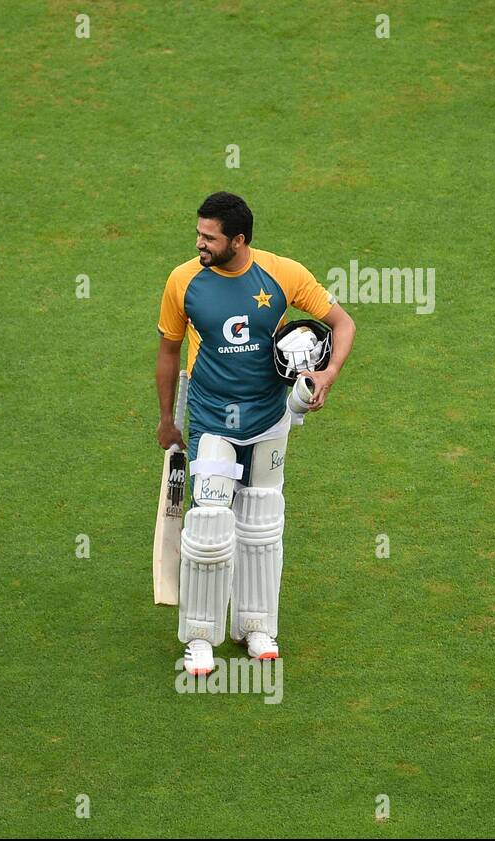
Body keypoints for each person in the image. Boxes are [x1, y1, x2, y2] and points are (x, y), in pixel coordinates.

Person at [156, 192, 356, 674]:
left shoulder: (284, 273)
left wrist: (327, 375)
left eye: (210, 237)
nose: (199, 243)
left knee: (263, 523)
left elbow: (343, 324)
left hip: (269, 418)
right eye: (199, 234)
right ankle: (201, 637)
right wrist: (168, 419)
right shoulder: (183, 281)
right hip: (209, 421)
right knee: (207, 527)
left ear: (238, 240)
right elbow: (168, 352)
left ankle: (257, 626)